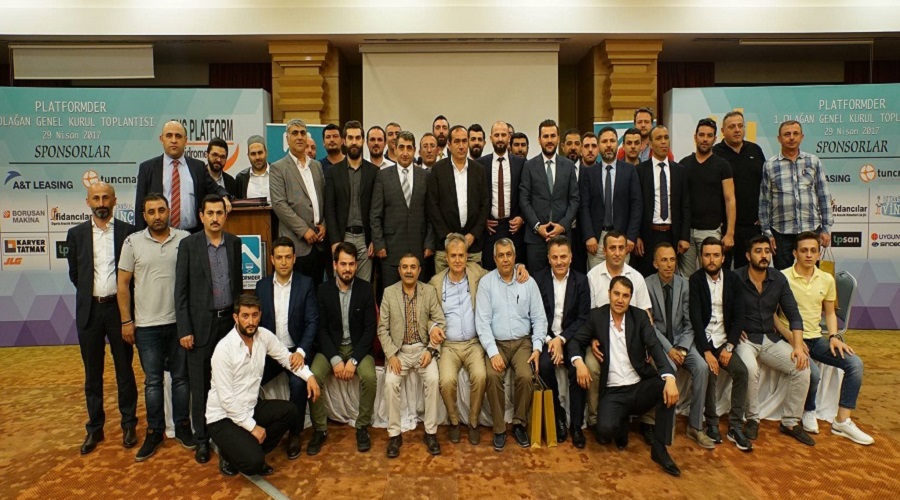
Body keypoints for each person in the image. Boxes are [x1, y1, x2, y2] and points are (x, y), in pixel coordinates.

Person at [568, 276, 681, 477]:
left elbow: (655, 347)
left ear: (630, 298)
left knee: (667, 388)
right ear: (609, 294)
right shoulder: (597, 316)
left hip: (638, 385)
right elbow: (575, 341)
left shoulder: (640, 317)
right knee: (605, 430)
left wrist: (670, 378)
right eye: (617, 294)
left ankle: (660, 448)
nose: (620, 300)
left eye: (625, 296)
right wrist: (579, 363)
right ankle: (622, 422)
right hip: (613, 391)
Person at [206, 294, 321, 477]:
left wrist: (310, 377)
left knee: (291, 411)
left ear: (260, 315)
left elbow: (287, 358)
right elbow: (226, 400)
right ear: (236, 317)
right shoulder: (224, 349)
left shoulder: (264, 336)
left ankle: (248, 449)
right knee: (253, 464)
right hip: (223, 417)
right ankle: (229, 454)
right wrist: (253, 427)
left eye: (254, 315)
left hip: (250, 407)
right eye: (245, 316)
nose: (250, 321)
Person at [117, 193, 195, 461]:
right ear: (144, 215)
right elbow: (123, 284)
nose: (157, 216)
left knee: (181, 379)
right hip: (147, 326)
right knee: (152, 382)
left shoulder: (184, 239)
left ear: (169, 211)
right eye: (151, 212)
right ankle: (154, 431)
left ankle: (182, 426)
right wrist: (126, 321)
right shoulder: (132, 242)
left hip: (179, 324)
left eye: (161, 210)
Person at [775, 232, 873, 445]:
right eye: (804, 251)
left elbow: (829, 313)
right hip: (790, 339)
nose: (809, 255)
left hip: (816, 338)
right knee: (813, 373)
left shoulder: (827, 278)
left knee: (855, 364)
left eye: (813, 251)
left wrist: (834, 336)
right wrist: (791, 338)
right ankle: (809, 409)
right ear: (794, 253)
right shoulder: (782, 277)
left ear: (819, 254)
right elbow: (772, 314)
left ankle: (842, 421)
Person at [66, 182, 138, 455]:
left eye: (106, 197)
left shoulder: (128, 232)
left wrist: (125, 311)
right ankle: (95, 428)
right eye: (96, 198)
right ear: (88, 202)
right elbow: (76, 274)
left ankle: (129, 424)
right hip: (90, 312)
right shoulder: (76, 234)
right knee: (92, 375)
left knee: (125, 371)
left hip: (119, 311)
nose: (101, 202)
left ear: (114, 200)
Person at [174, 194, 243, 464]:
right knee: (200, 385)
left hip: (229, 325)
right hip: (200, 327)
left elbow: (237, 285)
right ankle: (202, 439)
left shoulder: (234, 243)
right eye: (210, 213)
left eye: (219, 213)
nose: (215, 218)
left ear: (225, 215)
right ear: (201, 216)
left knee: (229, 383)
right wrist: (185, 329)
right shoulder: (188, 245)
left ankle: (228, 438)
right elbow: (180, 292)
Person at [734, 235, 813, 445]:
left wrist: (797, 346)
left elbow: (794, 315)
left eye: (767, 251)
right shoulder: (735, 278)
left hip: (770, 338)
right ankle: (752, 418)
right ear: (748, 255)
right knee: (750, 368)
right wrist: (733, 329)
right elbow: (721, 307)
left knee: (802, 367)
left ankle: (790, 422)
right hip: (745, 339)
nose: (764, 256)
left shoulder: (778, 279)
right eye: (758, 251)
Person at [476, 238, 547, 451]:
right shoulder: (486, 283)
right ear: (494, 258)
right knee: (492, 375)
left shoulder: (528, 282)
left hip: (522, 343)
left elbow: (539, 318)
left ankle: (519, 424)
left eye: (509, 254)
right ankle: (499, 428)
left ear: (515, 257)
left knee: (526, 376)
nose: (505, 259)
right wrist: (492, 352)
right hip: (496, 342)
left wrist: (537, 348)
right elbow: (482, 322)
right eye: (501, 255)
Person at [307, 242, 379, 454]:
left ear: (356, 265)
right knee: (313, 376)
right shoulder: (323, 290)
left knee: (370, 377)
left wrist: (354, 360)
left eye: (351, 264)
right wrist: (335, 359)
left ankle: (362, 427)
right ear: (335, 265)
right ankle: (320, 429)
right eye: (343, 264)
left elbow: (370, 329)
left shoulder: (365, 289)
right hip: (331, 348)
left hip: (358, 348)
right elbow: (321, 329)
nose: (347, 269)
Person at [583, 230, 652, 437]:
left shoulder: (636, 278)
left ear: (627, 250)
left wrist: (647, 344)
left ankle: (648, 421)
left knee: (656, 364)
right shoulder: (592, 277)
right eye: (612, 248)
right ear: (604, 251)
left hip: (632, 342)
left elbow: (646, 315)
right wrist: (593, 339)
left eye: (621, 248)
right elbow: (587, 316)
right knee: (591, 365)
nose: (617, 252)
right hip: (601, 342)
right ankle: (595, 418)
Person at [254, 237, 318, 459]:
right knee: (251, 378)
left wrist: (301, 351)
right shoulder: (261, 286)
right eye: (279, 257)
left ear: (294, 258)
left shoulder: (305, 284)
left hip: (295, 351)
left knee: (298, 386)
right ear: (272, 259)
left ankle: (294, 433)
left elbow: (312, 322)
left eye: (287, 257)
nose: (283, 262)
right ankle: (254, 425)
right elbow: (258, 325)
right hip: (270, 352)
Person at [645, 242, 713, 449]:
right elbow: (650, 326)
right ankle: (667, 429)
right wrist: (670, 350)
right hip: (659, 344)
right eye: (664, 260)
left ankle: (695, 426)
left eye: (672, 260)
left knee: (702, 367)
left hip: (683, 341)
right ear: (655, 263)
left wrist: (682, 348)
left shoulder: (685, 284)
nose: (669, 265)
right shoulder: (646, 285)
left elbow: (691, 322)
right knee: (670, 371)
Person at [689, 237, 753, 451]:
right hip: (705, 340)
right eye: (707, 255)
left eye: (716, 255)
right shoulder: (695, 280)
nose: (711, 259)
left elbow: (740, 316)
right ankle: (711, 423)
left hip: (725, 340)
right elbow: (695, 319)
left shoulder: (734, 280)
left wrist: (729, 347)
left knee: (742, 372)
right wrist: (706, 351)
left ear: (723, 258)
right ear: (701, 257)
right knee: (710, 371)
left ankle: (735, 426)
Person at [378, 254, 446, 458]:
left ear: (419, 270)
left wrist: (431, 350)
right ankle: (394, 435)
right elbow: (382, 329)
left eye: (413, 267)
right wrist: (391, 355)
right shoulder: (389, 293)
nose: (409, 271)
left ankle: (430, 433)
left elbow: (440, 322)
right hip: (399, 352)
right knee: (390, 383)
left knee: (433, 379)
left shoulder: (428, 291)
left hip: (423, 349)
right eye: (405, 267)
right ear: (399, 270)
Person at [428, 234, 489, 446]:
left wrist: (519, 267)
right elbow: (427, 314)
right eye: (453, 256)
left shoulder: (476, 273)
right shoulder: (436, 283)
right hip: (449, 345)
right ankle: (454, 421)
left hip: (473, 343)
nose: (457, 260)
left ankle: (473, 422)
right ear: (446, 258)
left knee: (480, 376)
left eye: (461, 255)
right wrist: (433, 327)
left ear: (467, 256)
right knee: (446, 381)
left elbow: (500, 273)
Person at [536, 236, 591, 447]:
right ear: (548, 258)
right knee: (544, 366)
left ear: (571, 257)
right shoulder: (538, 280)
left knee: (577, 369)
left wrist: (562, 339)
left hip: (571, 339)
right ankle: (558, 416)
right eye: (555, 257)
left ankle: (576, 425)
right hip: (546, 338)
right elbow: (536, 316)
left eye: (563, 257)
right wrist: (551, 340)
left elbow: (583, 318)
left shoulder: (581, 281)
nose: (559, 262)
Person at [759, 120, 833, 270]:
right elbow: (764, 202)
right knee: (782, 276)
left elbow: (823, 196)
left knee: (810, 275)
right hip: (781, 231)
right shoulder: (770, 165)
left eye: (795, 134)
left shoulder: (813, 161)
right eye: (787, 134)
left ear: (802, 137)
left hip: (810, 229)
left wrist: (826, 228)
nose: (792, 137)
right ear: (779, 138)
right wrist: (767, 233)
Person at [135, 120, 231, 233]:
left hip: (192, 235)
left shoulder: (198, 167)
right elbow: (140, 207)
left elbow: (216, 189)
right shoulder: (147, 168)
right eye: (169, 135)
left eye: (178, 136)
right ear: (161, 139)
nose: (174, 140)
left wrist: (224, 197)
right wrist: (141, 236)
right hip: (159, 235)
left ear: (185, 140)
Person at [371, 131, 435, 292]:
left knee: (419, 297)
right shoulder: (383, 176)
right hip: (390, 250)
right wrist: (379, 244)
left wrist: (429, 243)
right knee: (391, 297)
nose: (405, 153)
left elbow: (431, 214)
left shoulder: (425, 176)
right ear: (395, 149)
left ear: (415, 150)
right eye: (401, 147)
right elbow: (375, 214)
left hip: (419, 248)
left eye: (409, 148)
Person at [270, 119, 329, 284]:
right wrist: (304, 230)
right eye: (295, 133)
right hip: (295, 244)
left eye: (303, 133)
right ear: (287, 139)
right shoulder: (278, 168)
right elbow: (279, 204)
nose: (299, 137)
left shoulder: (316, 166)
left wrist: (324, 224)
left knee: (317, 291)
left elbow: (324, 199)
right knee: (297, 293)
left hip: (319, 243)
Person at [427, 125, 489, 273]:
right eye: (457, 141)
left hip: (472, 246)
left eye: (464, 141)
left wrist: (473, 235)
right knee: (443, 286)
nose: (461, 146)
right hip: (445, 246)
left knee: (473, 286)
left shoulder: (479, 170)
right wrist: (447, 236)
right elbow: (432, 205)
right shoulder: (438, 170)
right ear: (449, 145)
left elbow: (485, 204)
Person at [520, 119, 580, 273]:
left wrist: (563, 225)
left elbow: (574, 199)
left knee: (562, 280)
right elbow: (524, 199)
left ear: (558, 138)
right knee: (537, 281)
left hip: (562, 237)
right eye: (545, 136)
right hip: (536, 239)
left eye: (553, 136)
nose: (549, 140)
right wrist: (537, 227)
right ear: (539, 139)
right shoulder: (529, 166)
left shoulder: (568, 166)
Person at [579, 126, 642, 270]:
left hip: (622, 238)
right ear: (598, 146)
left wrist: (631, 236)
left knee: (621, 279)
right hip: (597, 239)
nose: (608, 145)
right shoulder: (589, 173)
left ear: (618, 144)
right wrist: (589, 235)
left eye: (612, 141)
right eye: (604, 141)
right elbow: (584, 207)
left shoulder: (629, 170)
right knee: (596, 279)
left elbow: (637, 205)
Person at [680, 118, 736, 277]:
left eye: (709, 135)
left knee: (711, 274)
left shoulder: (723, 165)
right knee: (686, 277)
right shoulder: (683, 164)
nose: (705, 139)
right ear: (695, 137)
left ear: (715, 139)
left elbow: (730, 199)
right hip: (686, 232)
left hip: (711, 230)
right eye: (702, 135)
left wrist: (730, 233)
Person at [324, 120, 378, 283]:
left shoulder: (374, 171)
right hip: (342, 236)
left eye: (358, 138)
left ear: (363, 141)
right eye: (350, 138)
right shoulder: (333, 172)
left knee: (364, 286)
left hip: (365, 239)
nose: (354, 142)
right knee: (341, 285)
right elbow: (329, 208)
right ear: (344, 141)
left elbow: (377, 208)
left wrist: (374, 239)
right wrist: (335, 240)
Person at [634, 125, 690, 277]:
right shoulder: (640, 171)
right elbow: (635, 206)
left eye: (666, 138)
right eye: (658, 138)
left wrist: (684, 237)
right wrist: (636, 235)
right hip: (648, 234)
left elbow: (685, 206)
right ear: (651, 144)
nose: (663, 141)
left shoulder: (680, 171)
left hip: (672, 234)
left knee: (670, 277)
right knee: (647, 277)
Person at [712, 111, 765, 270]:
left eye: (740, 126)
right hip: (723, 226)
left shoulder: (755, 150)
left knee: (749, 271)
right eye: (732, 126)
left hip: (752, 226)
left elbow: (765, 186)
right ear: (723, 131)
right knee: (723, 271)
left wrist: (762, 216)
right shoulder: (715, 153)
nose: (737, 130)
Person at [477, 121, 526, 271]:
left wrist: (522, 217)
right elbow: (476, 197)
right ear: (490, 138)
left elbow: (527, 194)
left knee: (515, 272)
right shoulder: (480, 164)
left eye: (503, 135)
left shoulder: (521, 163)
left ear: (509, 137)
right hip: (490, 228)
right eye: (496, 135)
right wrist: (482, 220)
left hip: (514, 227)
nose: (500, 139)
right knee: (490, 271)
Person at [561, 128, 587, 273]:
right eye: (569, 143)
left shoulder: (589, 173)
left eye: (577, 144)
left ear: (581, 147)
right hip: (562, 230)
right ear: (562, 147)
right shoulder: (556, 172)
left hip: (583, 233)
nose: (573, 147)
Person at [234, 135, 271, 202]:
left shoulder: (278, 173)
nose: (257, 157)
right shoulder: (241, 178)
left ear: (266, 153)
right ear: (248, 156)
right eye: (253, 154)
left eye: (260, 153)